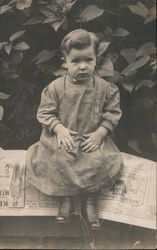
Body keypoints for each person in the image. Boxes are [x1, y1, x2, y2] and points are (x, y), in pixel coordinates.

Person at [26, 29, 123, 230]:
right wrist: (59, 129)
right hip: (64, 138)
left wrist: (100, 133)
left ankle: (91, 201)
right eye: (75, 61)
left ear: (97, 59)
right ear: (65, 61)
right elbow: (45, 113)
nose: (82, 66)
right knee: (57, 159)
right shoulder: (55, 88)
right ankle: (66, 199)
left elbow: (112, 113)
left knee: (100, 160)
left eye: (88, 60)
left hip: (91, 138)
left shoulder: (105, 88)